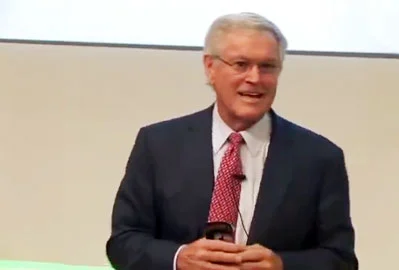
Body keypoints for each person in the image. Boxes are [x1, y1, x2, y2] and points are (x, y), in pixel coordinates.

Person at [106, 12, 358, 270]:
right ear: (210, 68)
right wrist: (179, 258)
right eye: (241, 64)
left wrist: (283, 265)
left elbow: (341, 259)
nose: (255, 78)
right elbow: (123, 241)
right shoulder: (157, 145)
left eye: (267, 66)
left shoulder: (320, 158)